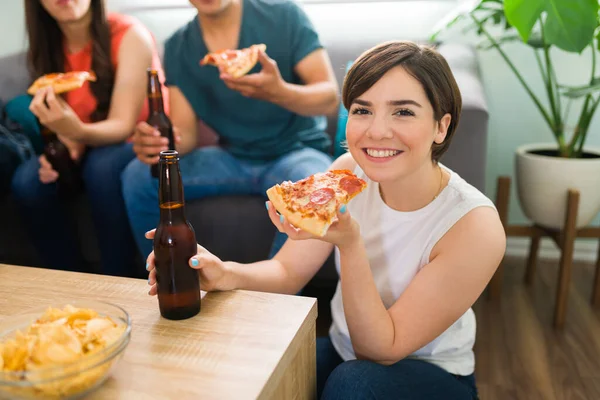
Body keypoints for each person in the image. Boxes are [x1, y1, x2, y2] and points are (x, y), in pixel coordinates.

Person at [145, 41, 506, 399]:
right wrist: (224, 273)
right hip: (344, 352)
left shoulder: (474, 226)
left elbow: (382, 349)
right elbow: (287, 272)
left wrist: (350, 244)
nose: (377, 131)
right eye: (362, 110)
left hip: (432, 375)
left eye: (403, 112)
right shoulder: (348, 173)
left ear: (441, 127)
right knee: (258, 368)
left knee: (354, 383)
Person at [121, 0, 339, 259]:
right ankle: (169, 278)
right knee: (138, 177)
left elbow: (329, 97)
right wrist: (160, 144)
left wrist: (280, 93)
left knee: (316, 191)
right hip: (233, 158)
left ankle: (279, 294)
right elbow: (186, 136)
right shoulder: (179, 46)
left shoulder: (284, 15)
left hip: (297, 152)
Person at [11, 0, 167, 277]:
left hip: (138, 142)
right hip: (86, 142)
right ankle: (66, 281)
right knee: (28, 180)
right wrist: (62, 151)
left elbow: (122, 125)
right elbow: (71, 123)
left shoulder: (131, 35)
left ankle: (115, 277)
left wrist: (76, 134)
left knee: (101, 166)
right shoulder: (49, 46)